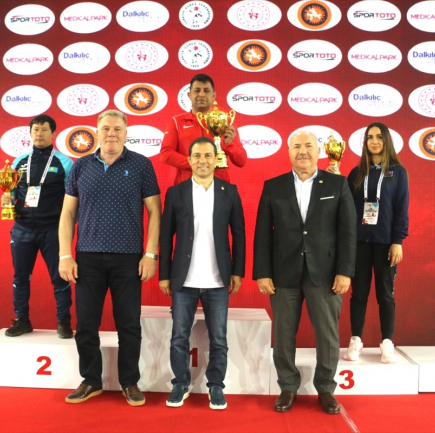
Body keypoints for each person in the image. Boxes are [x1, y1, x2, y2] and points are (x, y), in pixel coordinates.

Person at [58, 110, 161, 406]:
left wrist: (150, 254)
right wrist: (65, 255)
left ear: (126, 133)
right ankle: (91, 380)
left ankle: (130, 382)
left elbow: (155, 212)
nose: (111, 133)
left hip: (128, 259)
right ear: (97, 132)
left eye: (117, 129)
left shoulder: (141, 165)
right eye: (106, 128)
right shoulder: (81, 166)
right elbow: (67, 213)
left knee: (129, 325)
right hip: (87, 258)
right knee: (86, 324)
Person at [253, 131, 356, 414]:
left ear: (318, 151)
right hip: (283, 273)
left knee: (327, 335)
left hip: (326, 273)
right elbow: (263, 233)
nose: (302, 151)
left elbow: (348, 232)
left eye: (308, 146)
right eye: (296, 146)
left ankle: (326, 389)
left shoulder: (337, 183)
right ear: (288, 152)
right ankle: (288, 387)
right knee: (283, 334)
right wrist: (262, 272)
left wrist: (345, 271)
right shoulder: (273, 186)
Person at [159, 137, 245, 410]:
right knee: (178, 337)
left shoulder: (230, 191)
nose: (202, 160)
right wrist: (164, 274)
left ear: (216, 159)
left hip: (218, 279)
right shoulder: (176, 192)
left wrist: (238, 272)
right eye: (197, 155)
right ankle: (180, 383)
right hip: (183, 279)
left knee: (219, 338)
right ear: (189, 159)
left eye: (208, 155)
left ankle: (216, 386)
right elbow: (165, 237)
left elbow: (239, 235)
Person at [339, 123, 409, 364]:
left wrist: (397, 241)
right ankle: (355, 341)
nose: (374, 141)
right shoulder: (356, 172)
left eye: (379, 137)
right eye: (370, 137)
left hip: (385, 243)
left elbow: (401, 208)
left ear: (386, 140)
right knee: (358, 294)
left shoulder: (398, 172)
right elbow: (345, 207)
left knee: (385, 295)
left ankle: (387, 342)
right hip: (359, 242)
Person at [3, 114, 74, 339]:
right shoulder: (18, 161)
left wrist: (69, 225)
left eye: (44, 130)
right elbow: (12, 192)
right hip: (22, 229)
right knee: (20, 277)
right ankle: (22, 320)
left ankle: (64, 322)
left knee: (60, 277)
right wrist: (6, 199)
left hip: (53, 230)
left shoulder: (65, 163)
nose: (39, 134)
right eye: (35, 130)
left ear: (53, 134)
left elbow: (73, 198)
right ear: (30, 133)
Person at [160, 73, 247, 185]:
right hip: (186, 187)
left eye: (206, 90)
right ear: (189, 95)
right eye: (197, 90)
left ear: (214, 95)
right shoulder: (176, 122)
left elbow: (241, 161)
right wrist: (197, 164)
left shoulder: (225, 123)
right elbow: (166, 154)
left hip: (220, 186)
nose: (201, 94)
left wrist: (229, 145)